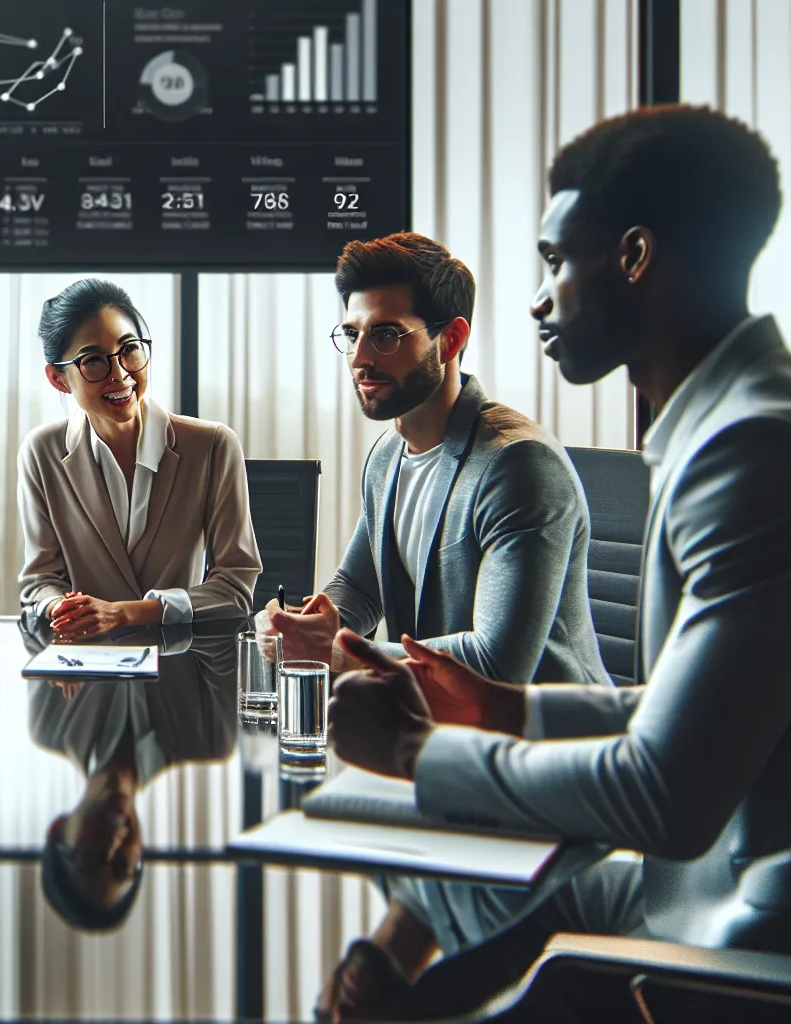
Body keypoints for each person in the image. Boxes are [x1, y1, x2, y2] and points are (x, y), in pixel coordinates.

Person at [327, 105, 791, 1021]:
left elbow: (665, 791)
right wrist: (505, 710)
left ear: (636, 257)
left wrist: (416, 750)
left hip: (773, 944)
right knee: (460, 912)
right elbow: (691, 708)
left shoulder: (762, 454)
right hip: (700, 884)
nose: (538, 300)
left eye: (556, 262)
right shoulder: (739, 423)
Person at [251, 233, 610, 1010]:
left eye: (386, 334)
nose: (360, 356)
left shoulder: (517, 465)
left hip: (535, 774)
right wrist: (313, 619)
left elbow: (497, 661)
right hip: (437, 760)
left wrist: (341, 653)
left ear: (450, 339)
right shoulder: (388, 457)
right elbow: (359, 584)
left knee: (409, 999)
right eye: (352, 333)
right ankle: (388, 969)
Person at [18, 278, 261, 639]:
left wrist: (123, 614)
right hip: (85, 661)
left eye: (129, 349)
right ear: (58, 378)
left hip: (180, 661)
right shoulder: (41, 451)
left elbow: (235, 589)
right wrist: (62, 608)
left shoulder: (213, 446)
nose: (120, 374)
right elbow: (40, 581)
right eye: (93, 361)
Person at [26, 624, 237, 931]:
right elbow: (235, 627)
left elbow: (36, 621)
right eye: (122, 866)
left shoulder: (49, 725)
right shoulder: (209, 738)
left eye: (91, 857)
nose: (113, 843)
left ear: (57, 831)